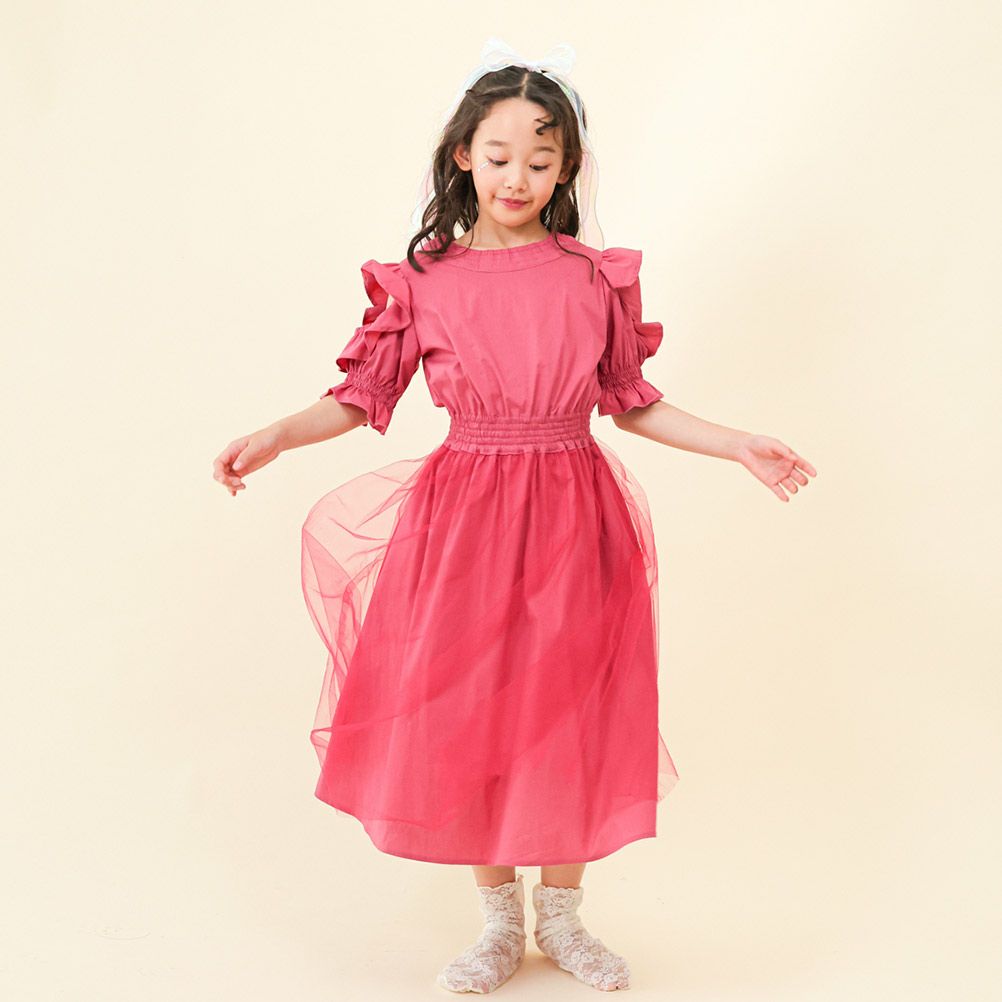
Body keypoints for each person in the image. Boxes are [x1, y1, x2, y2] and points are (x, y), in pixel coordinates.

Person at [212, 39, 816, 995]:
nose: (517, 177)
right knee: (471, 707)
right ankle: (498, 921)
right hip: (464, 519)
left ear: (566, 168)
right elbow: (362, 395)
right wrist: (279, 435)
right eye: (498, 156)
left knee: (570, 707)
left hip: (573, 512)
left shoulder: (591, 277)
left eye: (541, 159)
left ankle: (564, 917)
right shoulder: (425, 281)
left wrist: (738, 442)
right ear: (464, 155)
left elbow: (632, 400)